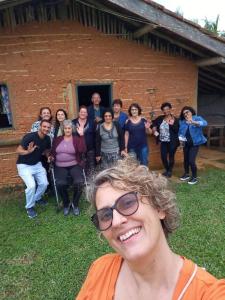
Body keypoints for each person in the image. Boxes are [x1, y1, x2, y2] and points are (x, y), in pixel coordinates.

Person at [77, 159, 225, 300]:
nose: (115, 222)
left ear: (159, 207)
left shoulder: (207, 293)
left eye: (128, 203)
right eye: (105, 215)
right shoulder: (100, 270)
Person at [50, 119, 86, 216]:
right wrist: (50, 156)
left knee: (79, 182)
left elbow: (82, 149)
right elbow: (52, 152)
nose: (67, 130)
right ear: (63, 129)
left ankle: (75, 203)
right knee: (60, 183)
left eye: (69, 128)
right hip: (60, 166)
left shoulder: (76, 139)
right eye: (65, 128)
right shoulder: (57, 140)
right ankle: (66, 203)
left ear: (72, 129)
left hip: (74, 164)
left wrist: (81, 135)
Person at [16, 120, 51, 219]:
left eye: (48, 127)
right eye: (44, 126)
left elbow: (46, 150)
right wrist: (28, 151)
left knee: (44, 183)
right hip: (24, 165)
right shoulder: (30, 137)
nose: (46, 129)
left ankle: (37, 198)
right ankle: (30, 207)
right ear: (40, 126)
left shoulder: (47, 138)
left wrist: (48, 156)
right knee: (31, 186)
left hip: (36, 164)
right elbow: (18, 150)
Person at [179, 106, 207, 185]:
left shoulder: (197, 118)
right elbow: (180, 133)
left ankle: (194, 177)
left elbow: (205, 123)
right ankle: (187, 174)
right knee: (186, 160)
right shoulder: (182, 121)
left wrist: (193, 122)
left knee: (191, 160)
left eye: (187, 112)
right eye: (184, 113)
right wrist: (181, 142)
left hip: (195, 144)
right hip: (186, 144)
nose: (185, 114)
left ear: (191, 111)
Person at [152, 102, 179, 177]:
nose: (165, 111)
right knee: (163, 156)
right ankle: (167, 170)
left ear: (170, 109)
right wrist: (154, 127)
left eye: (167, 109)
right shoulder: (160, 118)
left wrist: (171, 124)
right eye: (164, 110)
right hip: (163, 141)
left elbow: (177, 130)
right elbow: (153, 123)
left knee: (171, 156)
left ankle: (170, 171)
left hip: (172, 142)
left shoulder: (175, 119)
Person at [72, 106, 96, 179]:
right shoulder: (73, 122)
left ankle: (91, 185)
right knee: (79, 168)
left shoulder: (91, 122)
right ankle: (82, 185)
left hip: (90, 150)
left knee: (91, 168)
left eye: (85, 112)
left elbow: (95, 136)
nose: (83, 113)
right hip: (78, 151)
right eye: (81, 112)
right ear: (79, 113)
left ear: (87, 114)